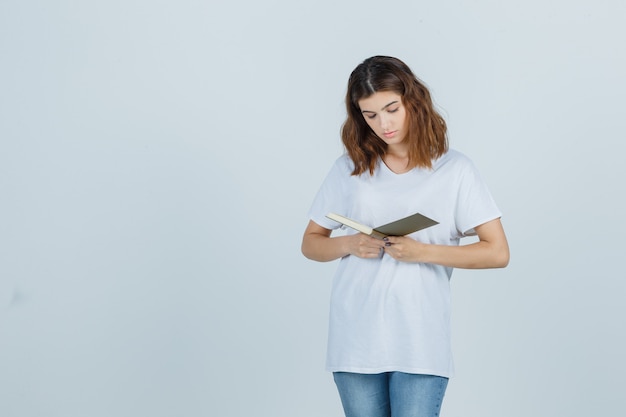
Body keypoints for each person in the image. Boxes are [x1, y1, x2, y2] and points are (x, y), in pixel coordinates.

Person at [301, 56, 509, 417]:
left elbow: (497, 252)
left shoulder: (455, 169)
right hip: (356, 336)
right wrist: (349, 243)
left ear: (412, 100)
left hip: (420, 338)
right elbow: (311, 243)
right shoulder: (348, 168)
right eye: (370, 115)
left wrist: (421, 252)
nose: (384, 124)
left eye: (391, 109)